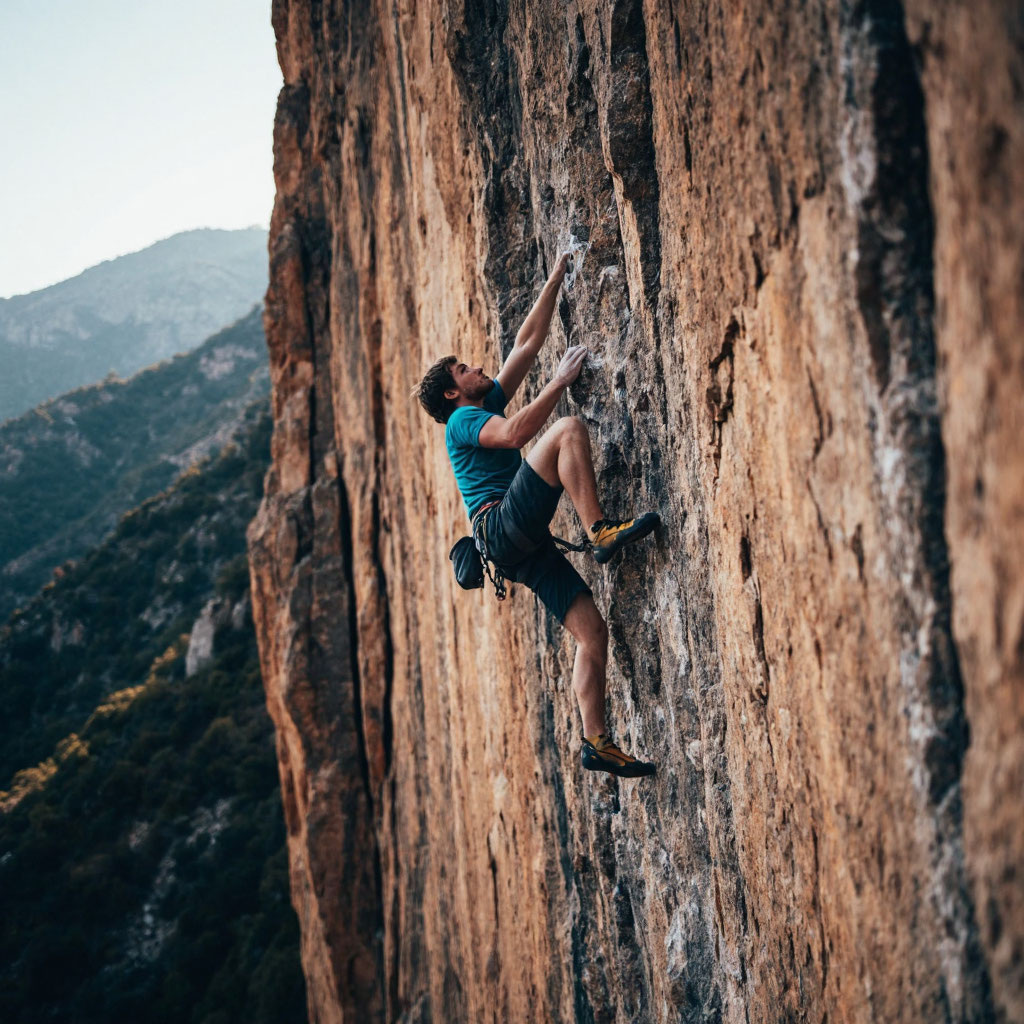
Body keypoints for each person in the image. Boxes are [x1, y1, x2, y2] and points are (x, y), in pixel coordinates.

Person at [415, 252, 658, 778]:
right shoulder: (462, 425)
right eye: (465, 369)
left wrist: (554, 278)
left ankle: (597, 742)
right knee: (566, 429)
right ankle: (600, 530)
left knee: (592, 632)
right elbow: (516, 435)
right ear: (454, 392)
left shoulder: (482, 402)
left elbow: (526, 343)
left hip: (514, 549)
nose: (478, 367)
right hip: (501, 528)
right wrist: (558, 383)